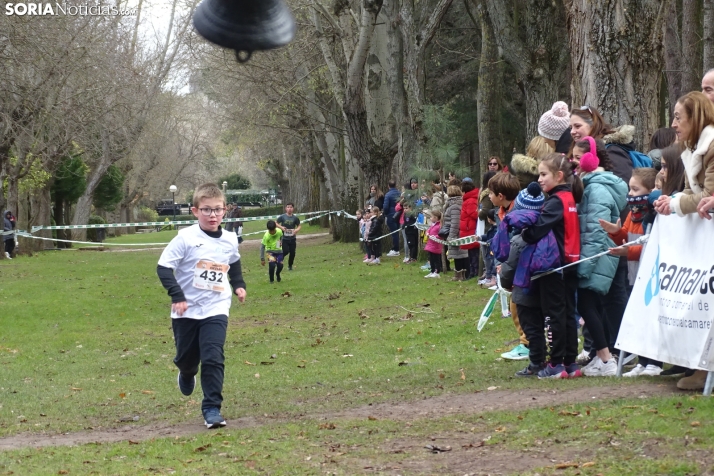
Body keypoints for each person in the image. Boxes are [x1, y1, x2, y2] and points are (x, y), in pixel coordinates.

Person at [156, 183, 246, 429]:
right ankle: (186, 372)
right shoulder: (185, 238)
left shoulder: (229, 239)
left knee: (213, 356)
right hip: (185, 310)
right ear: (195, 211)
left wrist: (238, 284)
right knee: (187, 359)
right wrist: (177, 296)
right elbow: (163, 268)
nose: (213, 215)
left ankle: (212, 408)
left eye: (217, 210)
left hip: (216, 307)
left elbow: (234, 262)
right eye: (206, 210)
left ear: (225, 210)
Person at [521, 153, 583, 378]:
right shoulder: (569, 197)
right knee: (567, 313)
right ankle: (570, 362)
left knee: (554, 314)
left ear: (558, 176)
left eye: (543, 174)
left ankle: (556, 363)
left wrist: (524, 231)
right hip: (571, 262)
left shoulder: (556, 201)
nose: (539, 179)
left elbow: (538, 229)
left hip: (556, 265)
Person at [571, 138, 628, 377]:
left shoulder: (597, 188)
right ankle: (600, 356)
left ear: (590, 159)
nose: (572, 162)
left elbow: (595, 231)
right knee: (589, 304)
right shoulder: (589, 184)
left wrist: (585, 264)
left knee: (586, 302)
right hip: (593, 256)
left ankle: (605, 359)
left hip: (596, 257)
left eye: (576, 157)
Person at [599, 168, 661, 377]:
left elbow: (649, 247)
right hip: (634, 274)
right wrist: (616, 233)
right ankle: (642, 361)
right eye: (630, 189)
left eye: (636, 189)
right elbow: (626, 238)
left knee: (651, 318)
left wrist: (628, 251)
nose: (631, 194)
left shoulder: (654, 217)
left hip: (651, 275)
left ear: (651, 191)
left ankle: (655, 362)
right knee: (639, 318)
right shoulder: (632, 214)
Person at [488, 172, 530, 360]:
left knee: (518, 305)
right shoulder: (501, 213)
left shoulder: (517, 215)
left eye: (490, 193)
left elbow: (515, 243)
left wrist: (507, 264)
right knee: (516, 304)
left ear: (500, 196)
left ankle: (527, 344)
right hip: (510, 265)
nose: (488, 196)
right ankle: (525, 341)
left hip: (522, 266)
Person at [654, 91, 714, 218]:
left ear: (695, 118)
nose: (673, 124)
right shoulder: (690, 147)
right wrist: (668, 201)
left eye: (678, 117)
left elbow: (709, 196)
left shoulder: (711, 147)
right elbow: (690, 189)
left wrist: (673, 203)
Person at [440, 183, 468, 281]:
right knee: (461, 254)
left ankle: (459, 275)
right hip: (459, 233)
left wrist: (451, 236)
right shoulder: (457, 204)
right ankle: (462, 274)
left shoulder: (454, 206)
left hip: (456, 234)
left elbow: (455, 223)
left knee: (458, 255)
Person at [459, 177, 480, 279]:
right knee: (472, 253)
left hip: (470, 229)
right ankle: (472, 272)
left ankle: (474, 272)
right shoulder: (469, 199)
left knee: (473, 253)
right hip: (469, 228)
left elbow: (474, 214)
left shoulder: (470, 200)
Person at [477, 208, 499, 288]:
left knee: (493, 263)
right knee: (489, 263)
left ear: (489, 219)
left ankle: (493, 279)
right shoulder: (493, 227)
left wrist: (488, 242)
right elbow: (489, 236)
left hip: (493, 249)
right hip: (491, 248)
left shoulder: (496, 228)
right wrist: (480, 238)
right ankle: (489, 277)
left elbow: (494, 238)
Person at [276, 203, 301, 271]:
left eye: (291, 207)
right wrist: (281, 227)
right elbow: (276, 223)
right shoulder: (282, 217)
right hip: (284, 238)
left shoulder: (295, 218)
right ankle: (279, 261)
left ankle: (290, 266)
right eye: (288, 207)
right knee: (285, 251)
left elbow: (299, 225)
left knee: (292, 253)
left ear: (293, 209)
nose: (289, 209)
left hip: (292, 238)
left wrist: (296, 230)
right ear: (286, 208)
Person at [383, 180, 401, 257]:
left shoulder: (388, 195)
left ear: (388, 186)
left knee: (394, 233)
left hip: (391, 215)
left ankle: (395, 249)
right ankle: (396, 248)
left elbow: (386, 206)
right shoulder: (399, 193)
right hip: (398, 214)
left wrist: (385, 213)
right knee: (396, 231)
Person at [424, 210, 443, 278]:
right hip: (431, 245)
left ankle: (437, 272)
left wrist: (435, 237)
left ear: (435, 218)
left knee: (436, 259)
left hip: (436, 246)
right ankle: (432, 271)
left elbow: (440, 235)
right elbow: (429, 230)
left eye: (431, 217)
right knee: (431, 259)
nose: (430, 218)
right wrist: (428, 232)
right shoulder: (433, 225)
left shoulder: (439, 226)